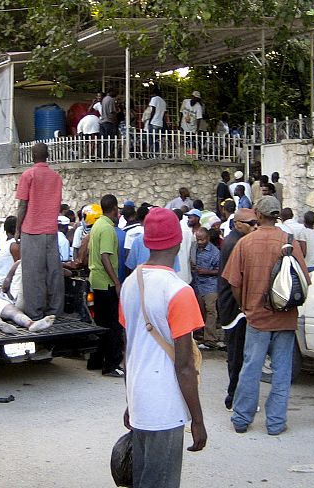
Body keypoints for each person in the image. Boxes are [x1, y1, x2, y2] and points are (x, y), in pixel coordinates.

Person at [119, 207, 206, 486]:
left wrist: (130, 401)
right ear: (179, 242)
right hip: (164, 406)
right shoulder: (179, 291)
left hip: (140, 398)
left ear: (146, 241)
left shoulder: (131, 284)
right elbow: (184, 366)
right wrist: (197, 420)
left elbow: (128, 351)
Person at [222, 196, 309, 435]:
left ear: (258, 215)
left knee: (251, 367)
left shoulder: (246, 243)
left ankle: (241, 419)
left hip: (257, 316)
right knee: (282, 371)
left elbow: (234, 282)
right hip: (285, 317)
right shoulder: (289, 242)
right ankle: (276, 423)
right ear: (277, 215)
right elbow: (304, 280)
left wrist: (245, 306)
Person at [15, 142, 64, 320]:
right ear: (48, 156)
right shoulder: (56, 177)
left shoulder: (28, 175)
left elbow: (22, 205)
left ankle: (35, 313)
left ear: (32, 156)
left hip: (31, 229)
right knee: (54, 273)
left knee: (33, 274)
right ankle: (55, 311)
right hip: (50, 230)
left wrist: (17, 229)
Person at [217, 208, 256, 409]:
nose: (255, 227)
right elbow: (236, 281)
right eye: (251, 223)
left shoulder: (236, 241)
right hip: (234, 307)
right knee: (237, 354)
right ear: (239, 223)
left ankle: (235, 395)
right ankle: (234, 397)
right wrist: (243, 306)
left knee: (237, 352)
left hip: (233, 306)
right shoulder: (235, 244)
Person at [88, 194, 124, 377]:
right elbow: (105, 256)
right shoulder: (108, 229)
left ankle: (95, 360)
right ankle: (111, 365)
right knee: (113, 326)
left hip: (96, 280)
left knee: (101, 324)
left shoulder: (97, 225)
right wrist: (116, 282)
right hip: (107, 282)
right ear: (115, 209)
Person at [193, 228, 221, 349]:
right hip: (198, 285)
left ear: (208, 238)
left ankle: (210, 339)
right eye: (198, 239)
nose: (199, 242)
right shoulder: (194, 248)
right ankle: (200, 335)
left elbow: (220, 270)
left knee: (211, 311)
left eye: (202, 239)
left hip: (210, 286)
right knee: (200, 311)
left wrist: (206, 271)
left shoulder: (215, 252)